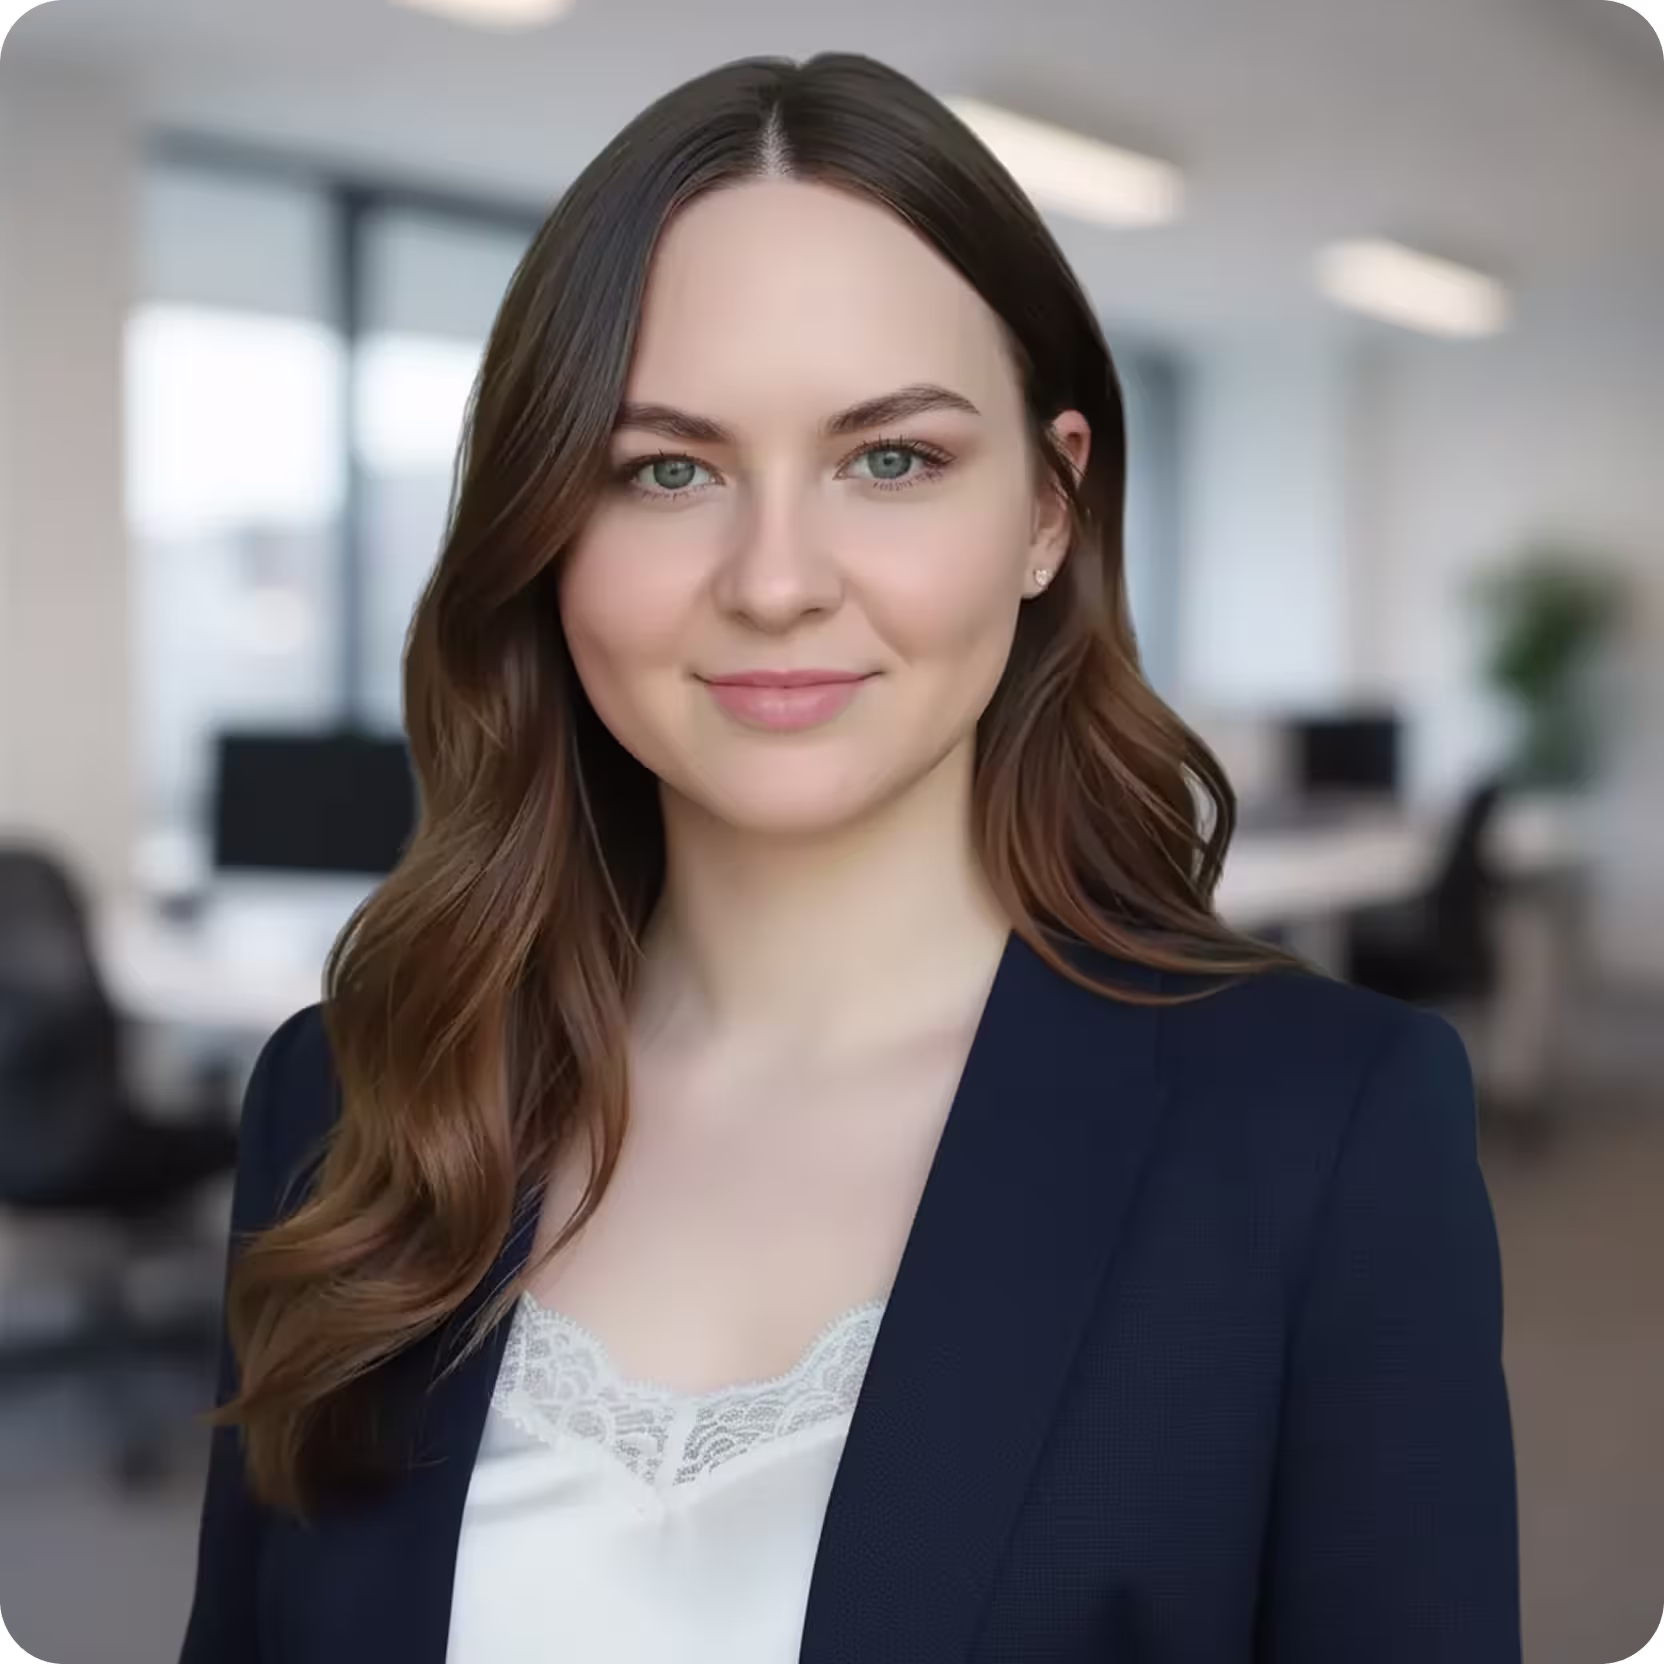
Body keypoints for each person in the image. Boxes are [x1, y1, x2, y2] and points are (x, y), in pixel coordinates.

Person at [178, 52, 1520, 1664]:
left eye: (892, 459)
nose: (777, 580)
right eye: (665, 469)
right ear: (547, 533)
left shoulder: (1323, 1137)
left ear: (1048, 511)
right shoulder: (345, 1100)